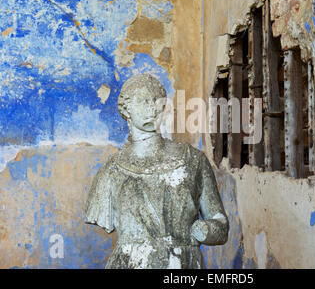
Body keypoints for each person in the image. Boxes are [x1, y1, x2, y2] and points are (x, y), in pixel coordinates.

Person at [84, 73, 229, 269]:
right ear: (126, 108)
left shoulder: (193, 160)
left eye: (156, 100)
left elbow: (220, 223)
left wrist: (207, 230)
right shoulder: (111, 171)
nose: (152, 107)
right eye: (143, 100)